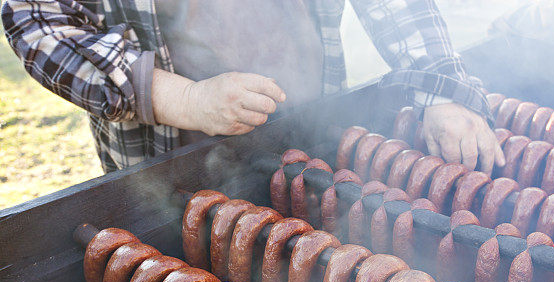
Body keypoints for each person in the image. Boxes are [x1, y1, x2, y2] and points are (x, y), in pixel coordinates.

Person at [2, 1, 504, 174]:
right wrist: (185, 99)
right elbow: (38, 23)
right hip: (163, 155)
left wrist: (438, 86)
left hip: (315, 132)